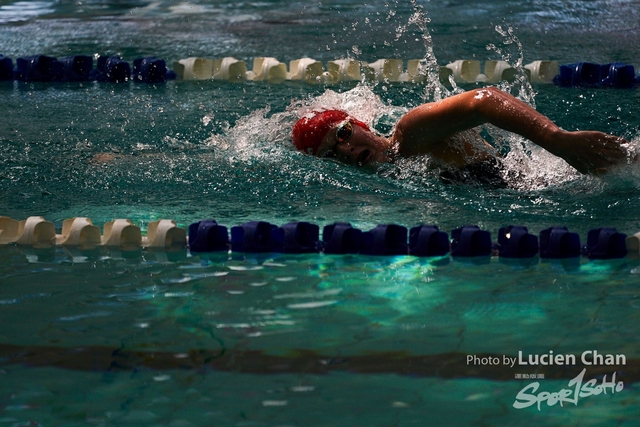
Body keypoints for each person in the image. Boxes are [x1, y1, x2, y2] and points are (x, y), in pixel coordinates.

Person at [291, 87, 631, 184]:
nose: (348, 150)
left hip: (560, 179)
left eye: (344, 134)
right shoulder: (392, 174)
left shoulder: (411, 134)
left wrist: (558, 140)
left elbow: (482, 100)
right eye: (333, 153)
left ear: (361, 124)